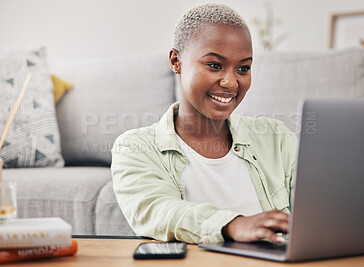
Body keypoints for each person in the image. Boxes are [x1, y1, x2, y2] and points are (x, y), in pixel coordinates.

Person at [111, 3, 297, 244]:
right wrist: (232, 225)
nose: (231, 83)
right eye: (215, 65)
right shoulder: (134, 147)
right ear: (176, 61)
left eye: (243, 68)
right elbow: (157, 211)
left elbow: (320, 205)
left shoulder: (276, 138)